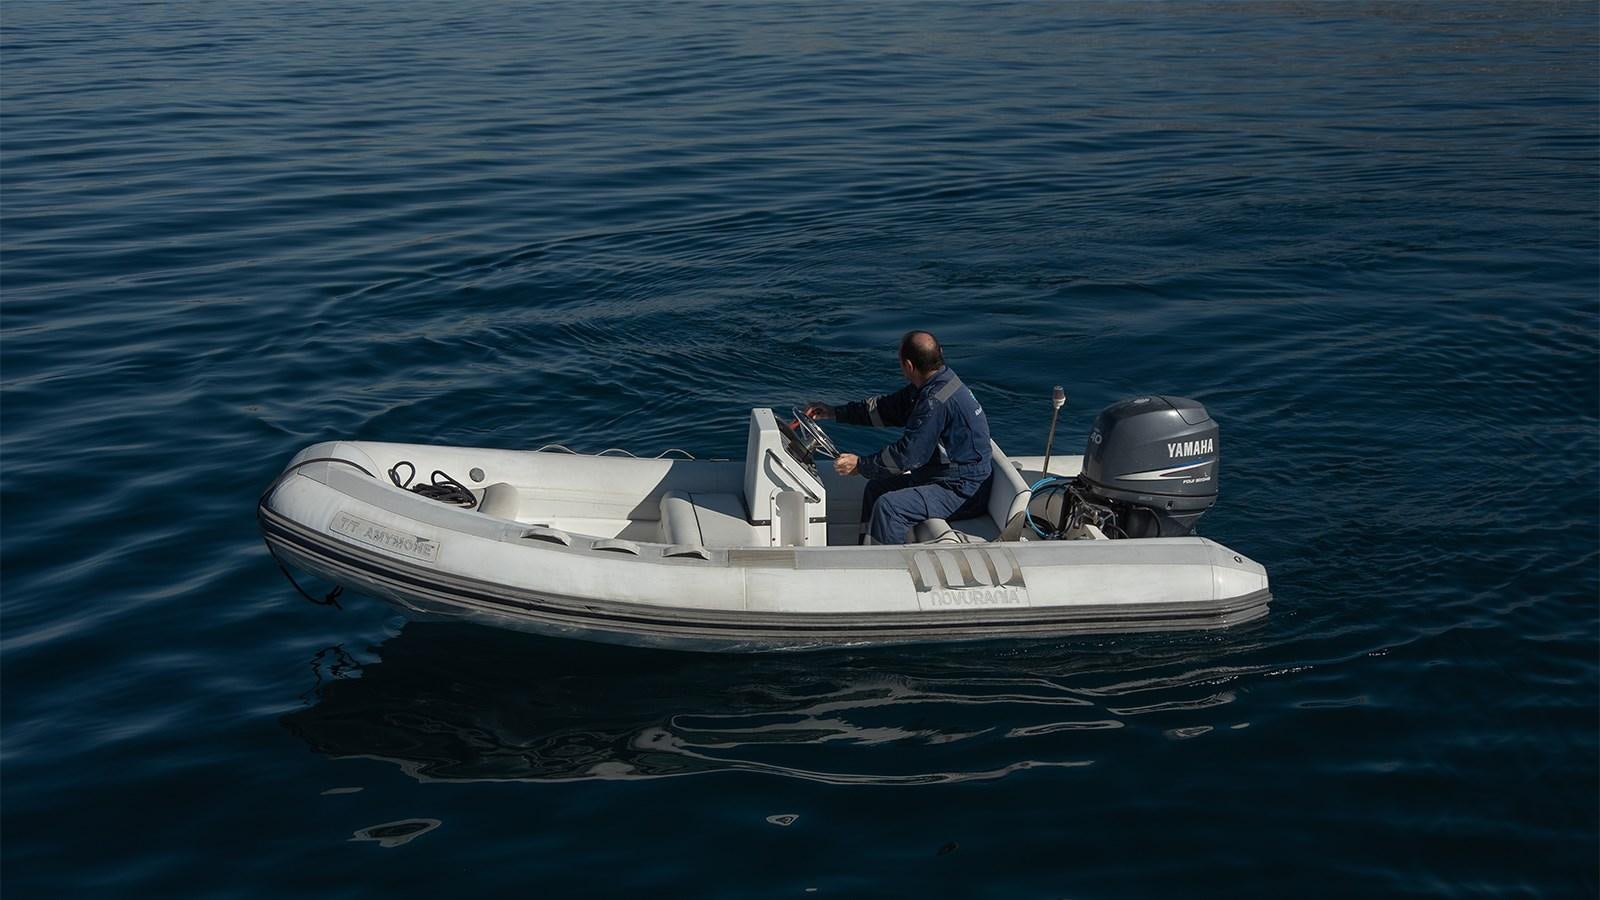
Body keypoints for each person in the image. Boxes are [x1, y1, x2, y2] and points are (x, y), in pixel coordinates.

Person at [804, 331, 992, 545]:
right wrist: (834, 412)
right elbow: (885, 409)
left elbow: (908, 455)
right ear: (939, 354)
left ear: (909, 366)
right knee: (876, 488)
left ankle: (885, 568)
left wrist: (861, 465)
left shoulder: (934, 402)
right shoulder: (938, 384)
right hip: (945, 477)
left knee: (890, 507)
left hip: (964, 490)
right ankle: (864, 552)